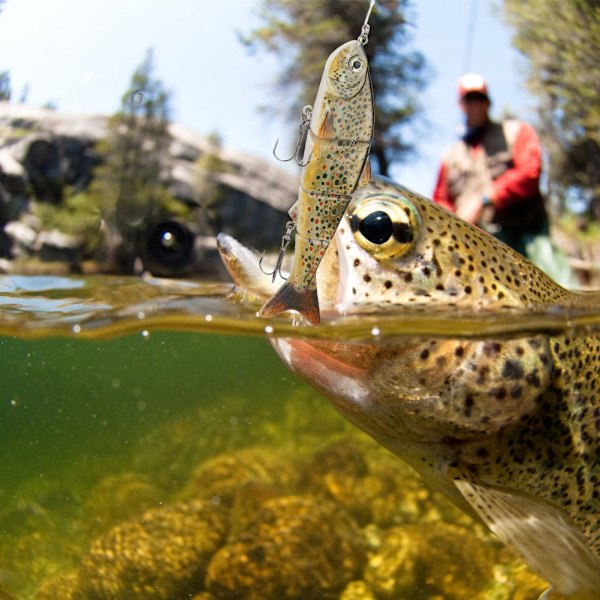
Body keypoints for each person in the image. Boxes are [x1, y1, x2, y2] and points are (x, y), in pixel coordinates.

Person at [432, 73, 576, 287]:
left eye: (479, 98)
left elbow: (530, 172)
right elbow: (440, 200)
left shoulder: (517, 132)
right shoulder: (450, 157)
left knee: (561, 293)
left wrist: (485, 198)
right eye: (469, 99)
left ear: (488, 102)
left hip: (528, 237)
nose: (475, 105)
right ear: (461, 105)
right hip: (480, 251)